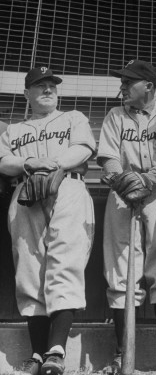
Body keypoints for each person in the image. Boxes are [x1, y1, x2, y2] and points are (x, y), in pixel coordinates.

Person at [97, 59, 156, 373]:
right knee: (120, 268)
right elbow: (109, 157)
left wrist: (148, 178)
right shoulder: (115, 115)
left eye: (129, 81)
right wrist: (123, 182)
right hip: (122, 193)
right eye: (122, 81)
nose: (122, 86)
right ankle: (122, 351)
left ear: (148, 86)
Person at [0, 67, 96, 375]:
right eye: (39, 85)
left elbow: (83, 149)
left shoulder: (74, 118)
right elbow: (2, 160)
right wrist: (29, 163)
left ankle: (57, 349)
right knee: (29, 269)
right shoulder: (13, 129)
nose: (47, 89)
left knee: (64, 262)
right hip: (26, 192)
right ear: (26, 94)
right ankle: (38, 353)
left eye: (51, 84)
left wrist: (52, 165)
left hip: (66, 184)